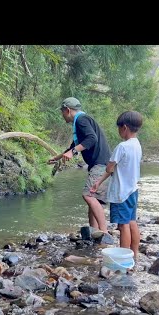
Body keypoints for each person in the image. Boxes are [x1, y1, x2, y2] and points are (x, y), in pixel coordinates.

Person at [48, 97, 112, 233]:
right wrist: (56, 158)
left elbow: (92, 138)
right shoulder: (80, 122)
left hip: (100, 164)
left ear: (67, 110)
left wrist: (74, 152)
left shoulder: (82, 120)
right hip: (101, 164)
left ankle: (104, 233)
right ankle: (94, 233)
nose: (62, 115)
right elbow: (73, 146)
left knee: (88, 195)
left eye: (62, 112)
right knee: (94, 199)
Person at [90, 111, 143, 261]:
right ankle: (134, 254)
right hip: (133, 190)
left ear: (124, 127)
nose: (119, 131)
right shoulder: (137, 145)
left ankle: (123, 256)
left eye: (119, 128)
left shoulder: (122, 146)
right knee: (132, 222)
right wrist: (99, 182)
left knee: (123, 225)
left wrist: (99, 180)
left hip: (121, 193)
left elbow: (109, 168)